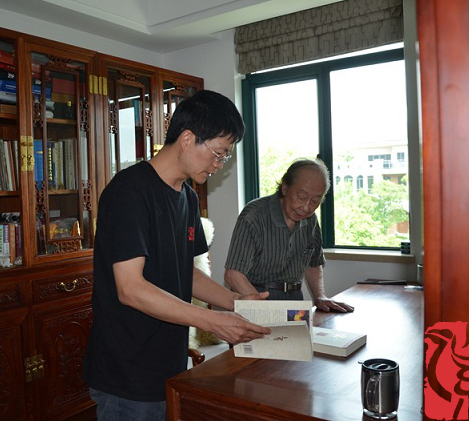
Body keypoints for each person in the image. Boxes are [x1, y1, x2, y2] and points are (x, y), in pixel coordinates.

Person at [83, 90, 270, 421]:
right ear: (187, 139)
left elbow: (187, 272)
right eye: (219, 153)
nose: (219, 165)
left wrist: (236, 302)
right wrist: (211, 320)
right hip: (128, 371)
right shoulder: (129, 192)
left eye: (225, 157)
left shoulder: (188, 197)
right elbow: (130, 288)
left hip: (169, 361)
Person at [224, 159, 354, 312]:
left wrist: (320, 296)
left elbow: (314, 262)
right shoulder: (254, 216)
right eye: (301, 197)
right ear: (285, 187)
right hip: (255, 297)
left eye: (314, 201)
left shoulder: (310, 220)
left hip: (294, 300)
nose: (306, 207)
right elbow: (233, 274)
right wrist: (264, 307)